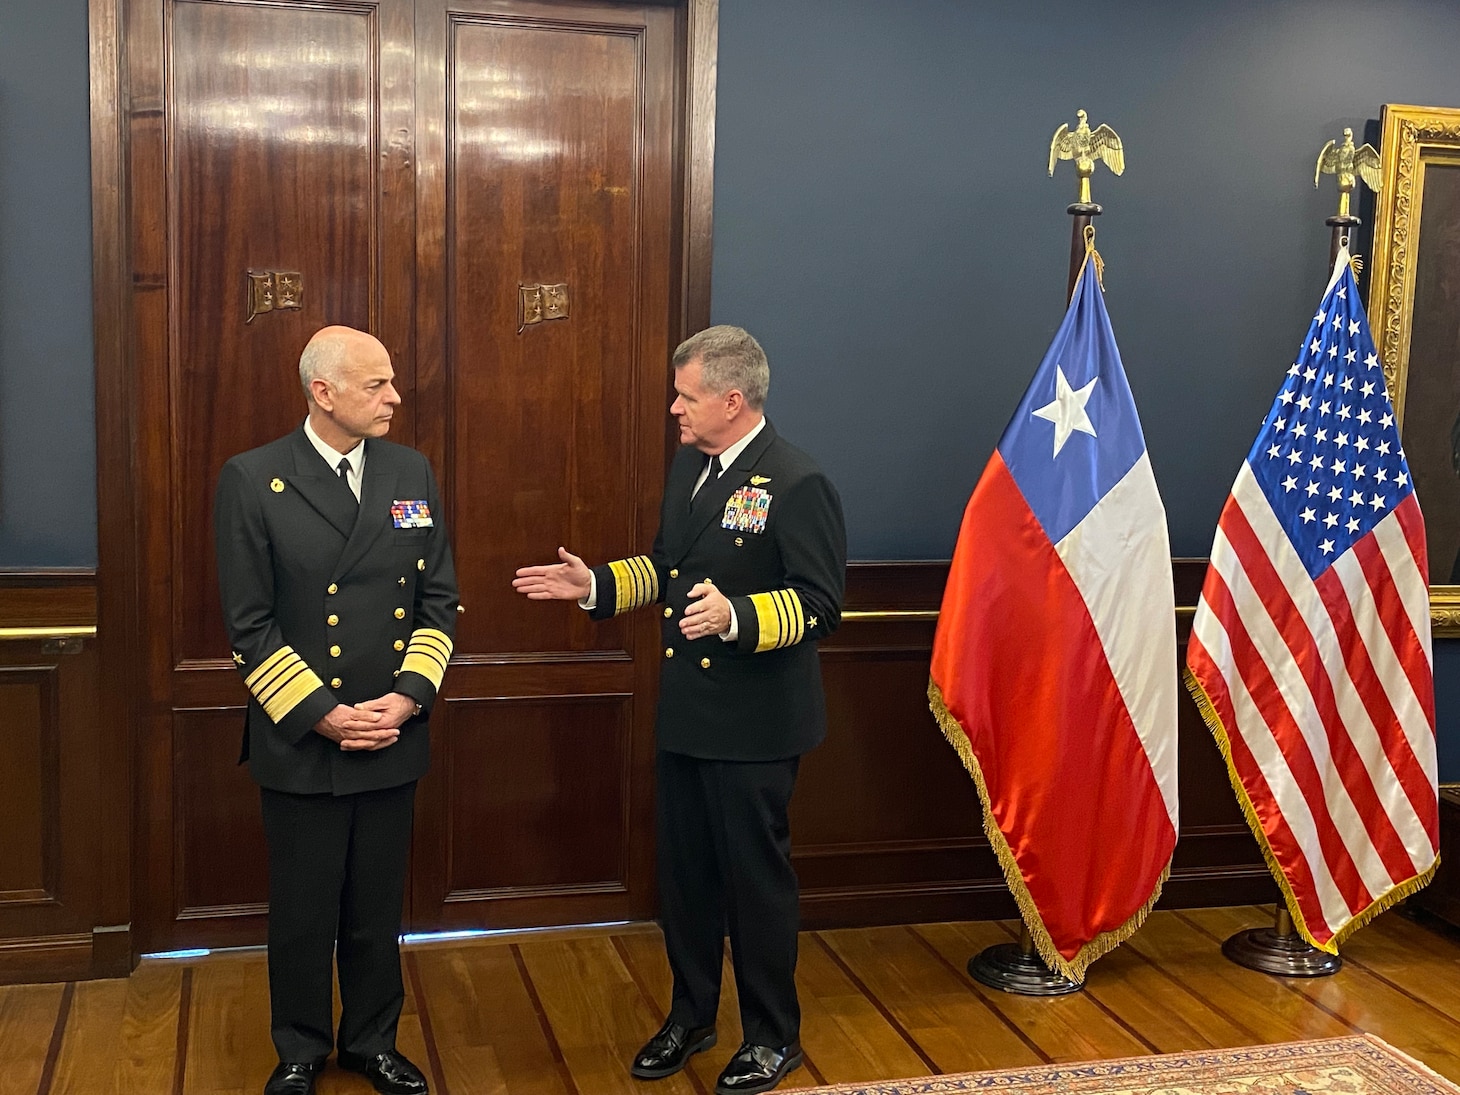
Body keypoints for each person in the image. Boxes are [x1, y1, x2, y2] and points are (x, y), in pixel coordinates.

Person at [513, 325, 846, 1095]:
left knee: (754, 884)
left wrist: (736, 616)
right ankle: (691, 1014)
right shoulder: (691, 468)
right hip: (689, 717)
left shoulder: (795, 481)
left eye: (686, 396)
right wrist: (594, 585)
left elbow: (822, 604)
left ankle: (771, 1035)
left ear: (733, 400)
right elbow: (669, 566)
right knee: (687, 878)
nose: (673, 409)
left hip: (756, 726)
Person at [214, 325, 458, 1095]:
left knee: (376, 905)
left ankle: (372, 1039)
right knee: (303, 909)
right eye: (376, 385)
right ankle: (299, 1047)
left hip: (390, 731)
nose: (394, 397)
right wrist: (323, 713)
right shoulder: (253, 480)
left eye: (391, 382)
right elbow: (249, 626)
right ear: (323, 392)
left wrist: (408, 697)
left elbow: (438, 603)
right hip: (303, 738)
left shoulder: (409, 469)